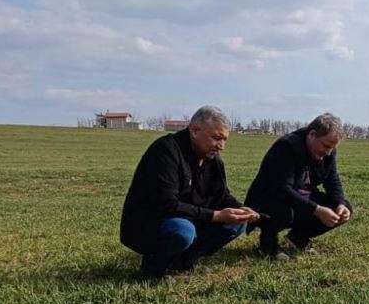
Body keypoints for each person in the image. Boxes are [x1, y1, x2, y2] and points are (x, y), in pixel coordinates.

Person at [120, 106, 259, 279]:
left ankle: (183, 262)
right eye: (216, 138)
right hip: (150, 222)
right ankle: (153, 268)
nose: (221, 146)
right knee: (183, 231)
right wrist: (216, 215)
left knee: (237, 223)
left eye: (224, 140)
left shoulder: (213, 160)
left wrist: (241, 209)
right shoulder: (165, 151)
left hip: (190, 218)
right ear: (194, 130)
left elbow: (220, 195)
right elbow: (166, 204)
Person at [244, 113, 353, 261]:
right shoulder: (286, 147)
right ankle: (268, 244)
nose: (328, 152)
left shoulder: (328, 152)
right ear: (312, 134)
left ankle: (298, 237)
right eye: (326, 146)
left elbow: (332, 180)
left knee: (344, 207)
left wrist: (339, 203)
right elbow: (281, 189)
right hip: (268, 200)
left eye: (332, 148)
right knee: (284, 210)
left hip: (302, 197)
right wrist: (317, 210)